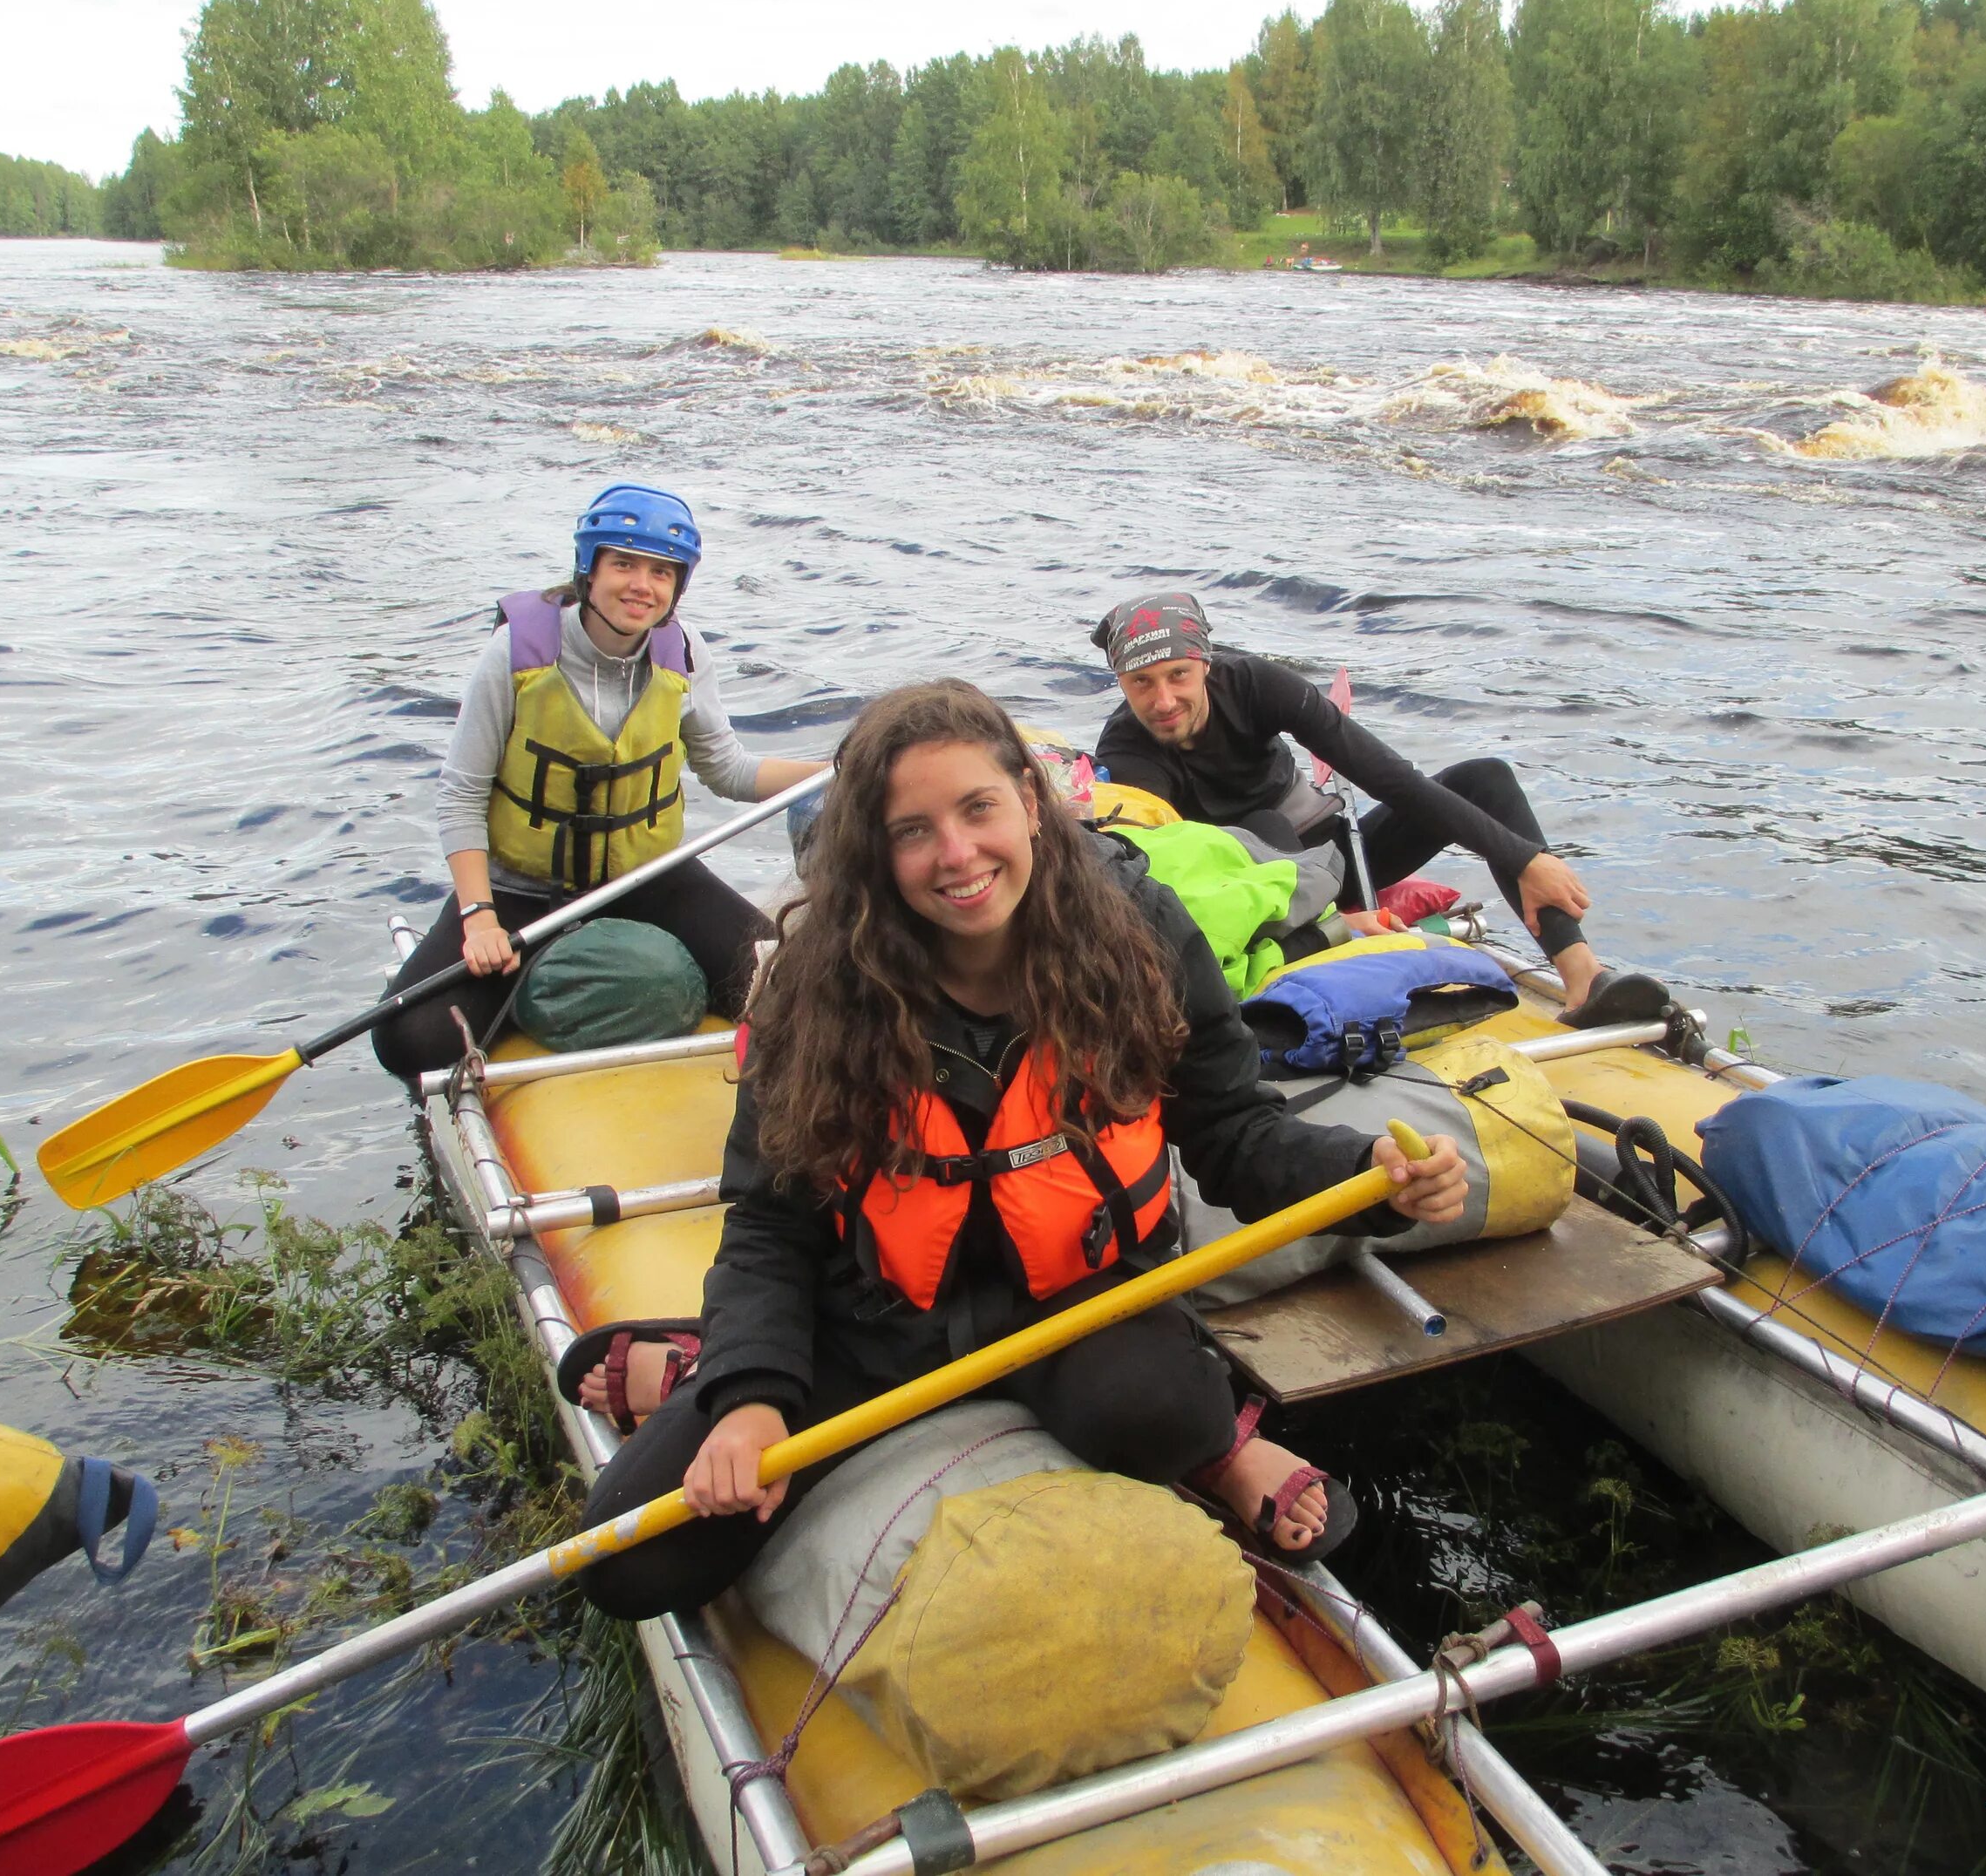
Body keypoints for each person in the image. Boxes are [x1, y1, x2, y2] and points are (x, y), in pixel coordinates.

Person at [573, 680, 1467, 1620]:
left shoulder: (1142, 936)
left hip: (1074, 1296)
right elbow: (770, 1219)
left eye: (978, 809)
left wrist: (1364, 1178)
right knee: (631, 1567)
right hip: (875, 1315)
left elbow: (1233, 1131)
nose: (956, 855)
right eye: (910, 830)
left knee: (1161, 1414)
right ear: (871, 853)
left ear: (1031, 805)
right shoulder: (818, 984)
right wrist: (752, 1393)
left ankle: (1217, 1443)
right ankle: (708, 1361)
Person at [370, 483, 826, 1079]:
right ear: (590, 568)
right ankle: (540, 986)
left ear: (677, 586)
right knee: (410, 1040)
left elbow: (730, 770)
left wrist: (843, 767)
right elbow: (461, 793)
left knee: (792, 986)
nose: (643, 585)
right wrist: (479, 916)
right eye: (625, 564)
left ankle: (584, 970)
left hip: (646, 878)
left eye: (662, 572)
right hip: (520, 890)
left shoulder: (683, 652)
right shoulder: (516, 653)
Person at [1088, 592, 1664, 1025]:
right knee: (1257, 830)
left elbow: (1390, 778)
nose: (1164, 701)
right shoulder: (1126, 753)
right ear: (1120, 682)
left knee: (1484, 779)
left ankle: (1583, 978)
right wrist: (1329, 927)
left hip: (1338, 856)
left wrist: (1524, 857)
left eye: (1178, 676)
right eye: (1141, 683)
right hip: (1261, 898)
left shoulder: (1258, 685)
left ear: (1206, 664)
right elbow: (1174, 883)